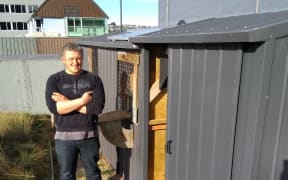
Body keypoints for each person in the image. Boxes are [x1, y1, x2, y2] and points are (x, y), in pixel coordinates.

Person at [45, 42, 105, 180]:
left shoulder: (94, 79)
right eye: (71, 59)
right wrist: (82, 101)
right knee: (66, 175)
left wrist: (66, 101)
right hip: (63, 138)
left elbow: (96, 108)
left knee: (93, 173)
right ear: (63, 59)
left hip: (89, 136)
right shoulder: (54, 80)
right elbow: (56, 108)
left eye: (78, 58)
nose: (75, 62)